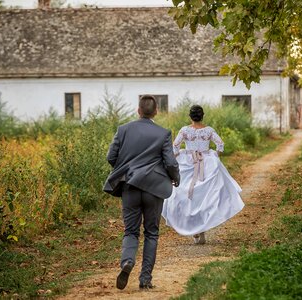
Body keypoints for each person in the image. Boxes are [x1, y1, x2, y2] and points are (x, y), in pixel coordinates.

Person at [103, 95, 180, 290]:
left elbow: (111, 156)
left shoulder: (123, 130)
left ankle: (127, 261)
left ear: (138, 110)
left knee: (130, 231)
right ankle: (145, 279)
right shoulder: (163, 133)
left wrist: (126, 169)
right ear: (156, 112)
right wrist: (175, 177)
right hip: (154, 189)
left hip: (130, 185)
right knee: (152, 233)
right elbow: (170, 162)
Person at [162, 105, 244, 244]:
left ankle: (194, 231)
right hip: (206, 164)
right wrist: (213, 156)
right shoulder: (209, 130)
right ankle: (202, 231)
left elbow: (175, 146)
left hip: (188, 163)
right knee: (203, 197)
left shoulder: (184, 130)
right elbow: (220, 145)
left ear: (190, 116)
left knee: (187, 196)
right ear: (202, 116)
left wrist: (179, 157)